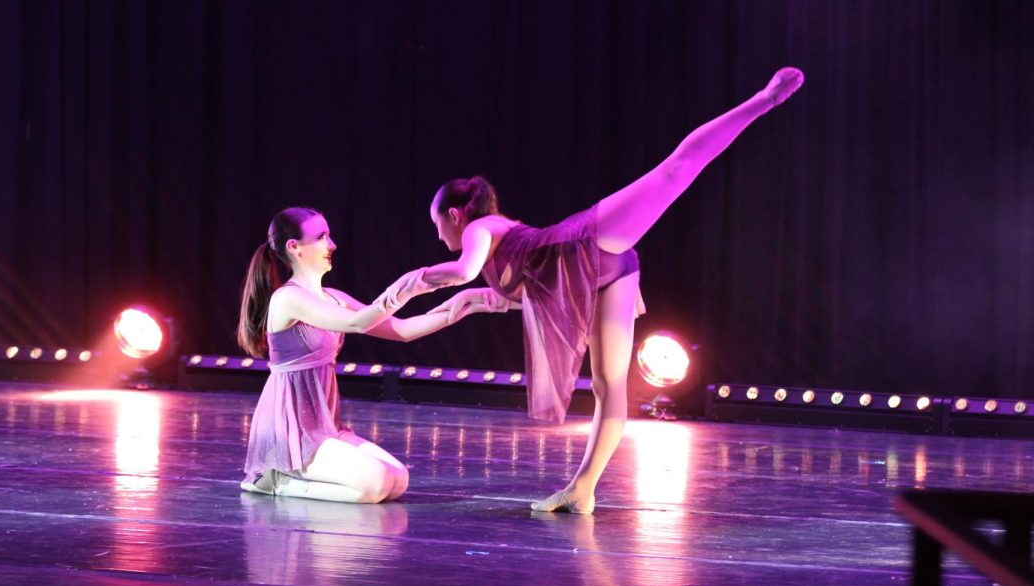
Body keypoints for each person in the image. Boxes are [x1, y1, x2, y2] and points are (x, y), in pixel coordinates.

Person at [391, 68, 804, 514]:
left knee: (671, 174)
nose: (438, 235)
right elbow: (485, 298)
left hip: (585, 241)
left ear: (454, 214)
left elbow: (463, 272)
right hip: (611, 273)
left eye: (437, 225)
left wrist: (413, 282)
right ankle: (583, 488)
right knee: (609, 386)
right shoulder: (498, 268)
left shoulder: (482, 228)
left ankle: (763, 99)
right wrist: (386, 314)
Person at [237, 207, 508, 504]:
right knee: (375, 484)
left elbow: (402, 330)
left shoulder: (334, 298)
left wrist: (463, 304)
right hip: (290, 430)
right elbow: (359, 321)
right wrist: (405, 289)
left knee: (398, 478)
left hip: (323, 426)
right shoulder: (288, 298)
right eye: (322, 237)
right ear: (294, 248)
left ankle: (288, 477)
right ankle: (275, 481)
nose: (332, 244)